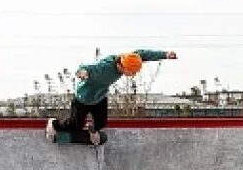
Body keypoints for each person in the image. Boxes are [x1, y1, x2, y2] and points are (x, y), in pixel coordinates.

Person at [46, 49, 178, 142]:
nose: (133, 75)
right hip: (83, 99)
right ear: (122, 66)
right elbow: (84, 67)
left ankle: (91, 131)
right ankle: (54, 124)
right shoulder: (104, 67)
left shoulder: (129, 58)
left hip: (100, 98)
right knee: (74, 125)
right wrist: (83, 73)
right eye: (131, 72)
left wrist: (165, 54)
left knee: (101, 123)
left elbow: (144, 54)